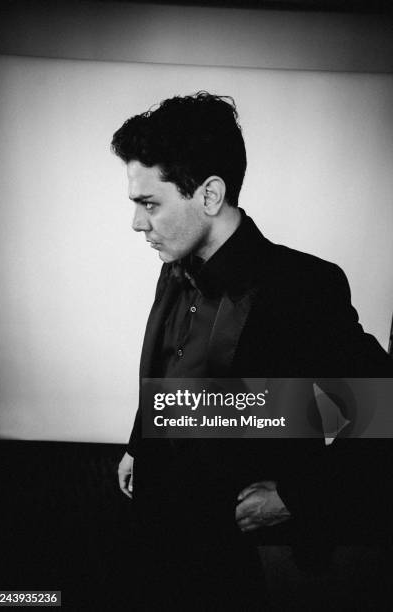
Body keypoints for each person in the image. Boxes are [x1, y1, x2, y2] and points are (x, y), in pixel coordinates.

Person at [112, 92, 392, 609]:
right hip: (155, 522)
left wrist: (297, 498)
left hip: (239, 547)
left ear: (210, 194)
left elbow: (379, 410)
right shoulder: (173, 267)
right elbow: (174, 367)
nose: (137, 223)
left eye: (149, 203)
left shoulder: (304, 286)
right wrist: (139, 443)